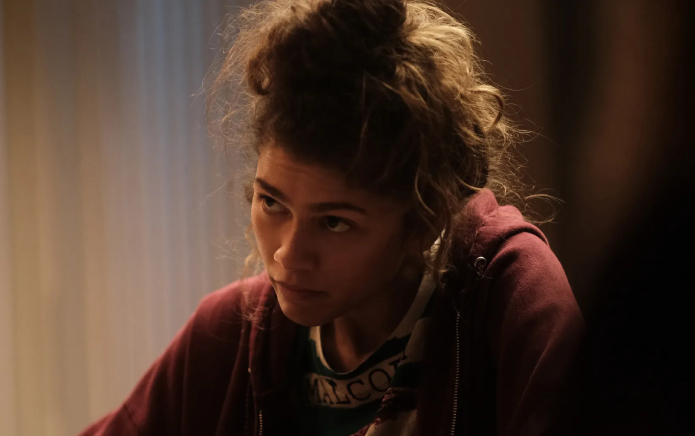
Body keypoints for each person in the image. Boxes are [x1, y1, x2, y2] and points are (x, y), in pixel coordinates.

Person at [79, 0, 583, 435]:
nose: (287, 255)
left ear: (424, 221)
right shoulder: (230, 336)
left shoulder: (506, 297)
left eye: (335, 222)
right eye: (272, 203)